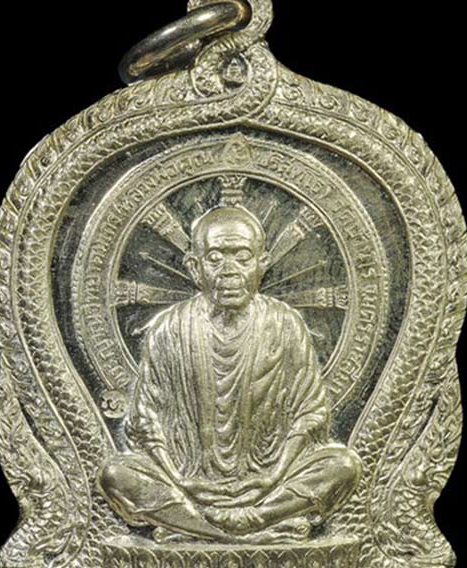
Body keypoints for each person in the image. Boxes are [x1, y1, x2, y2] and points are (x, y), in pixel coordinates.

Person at [99, 205, 361, 542]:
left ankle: (219, 525)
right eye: (215, 258)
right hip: (187, 483)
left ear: (262, 263)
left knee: (343, 466)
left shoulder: (284, 324)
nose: (229, 271)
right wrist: (179, 479)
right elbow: (145, 421)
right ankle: (243, 529)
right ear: (195, 267)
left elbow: (310, 414)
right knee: (116, 473)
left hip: (270, 483)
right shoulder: (170, 328)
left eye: (242, 257)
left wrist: (273, 476)